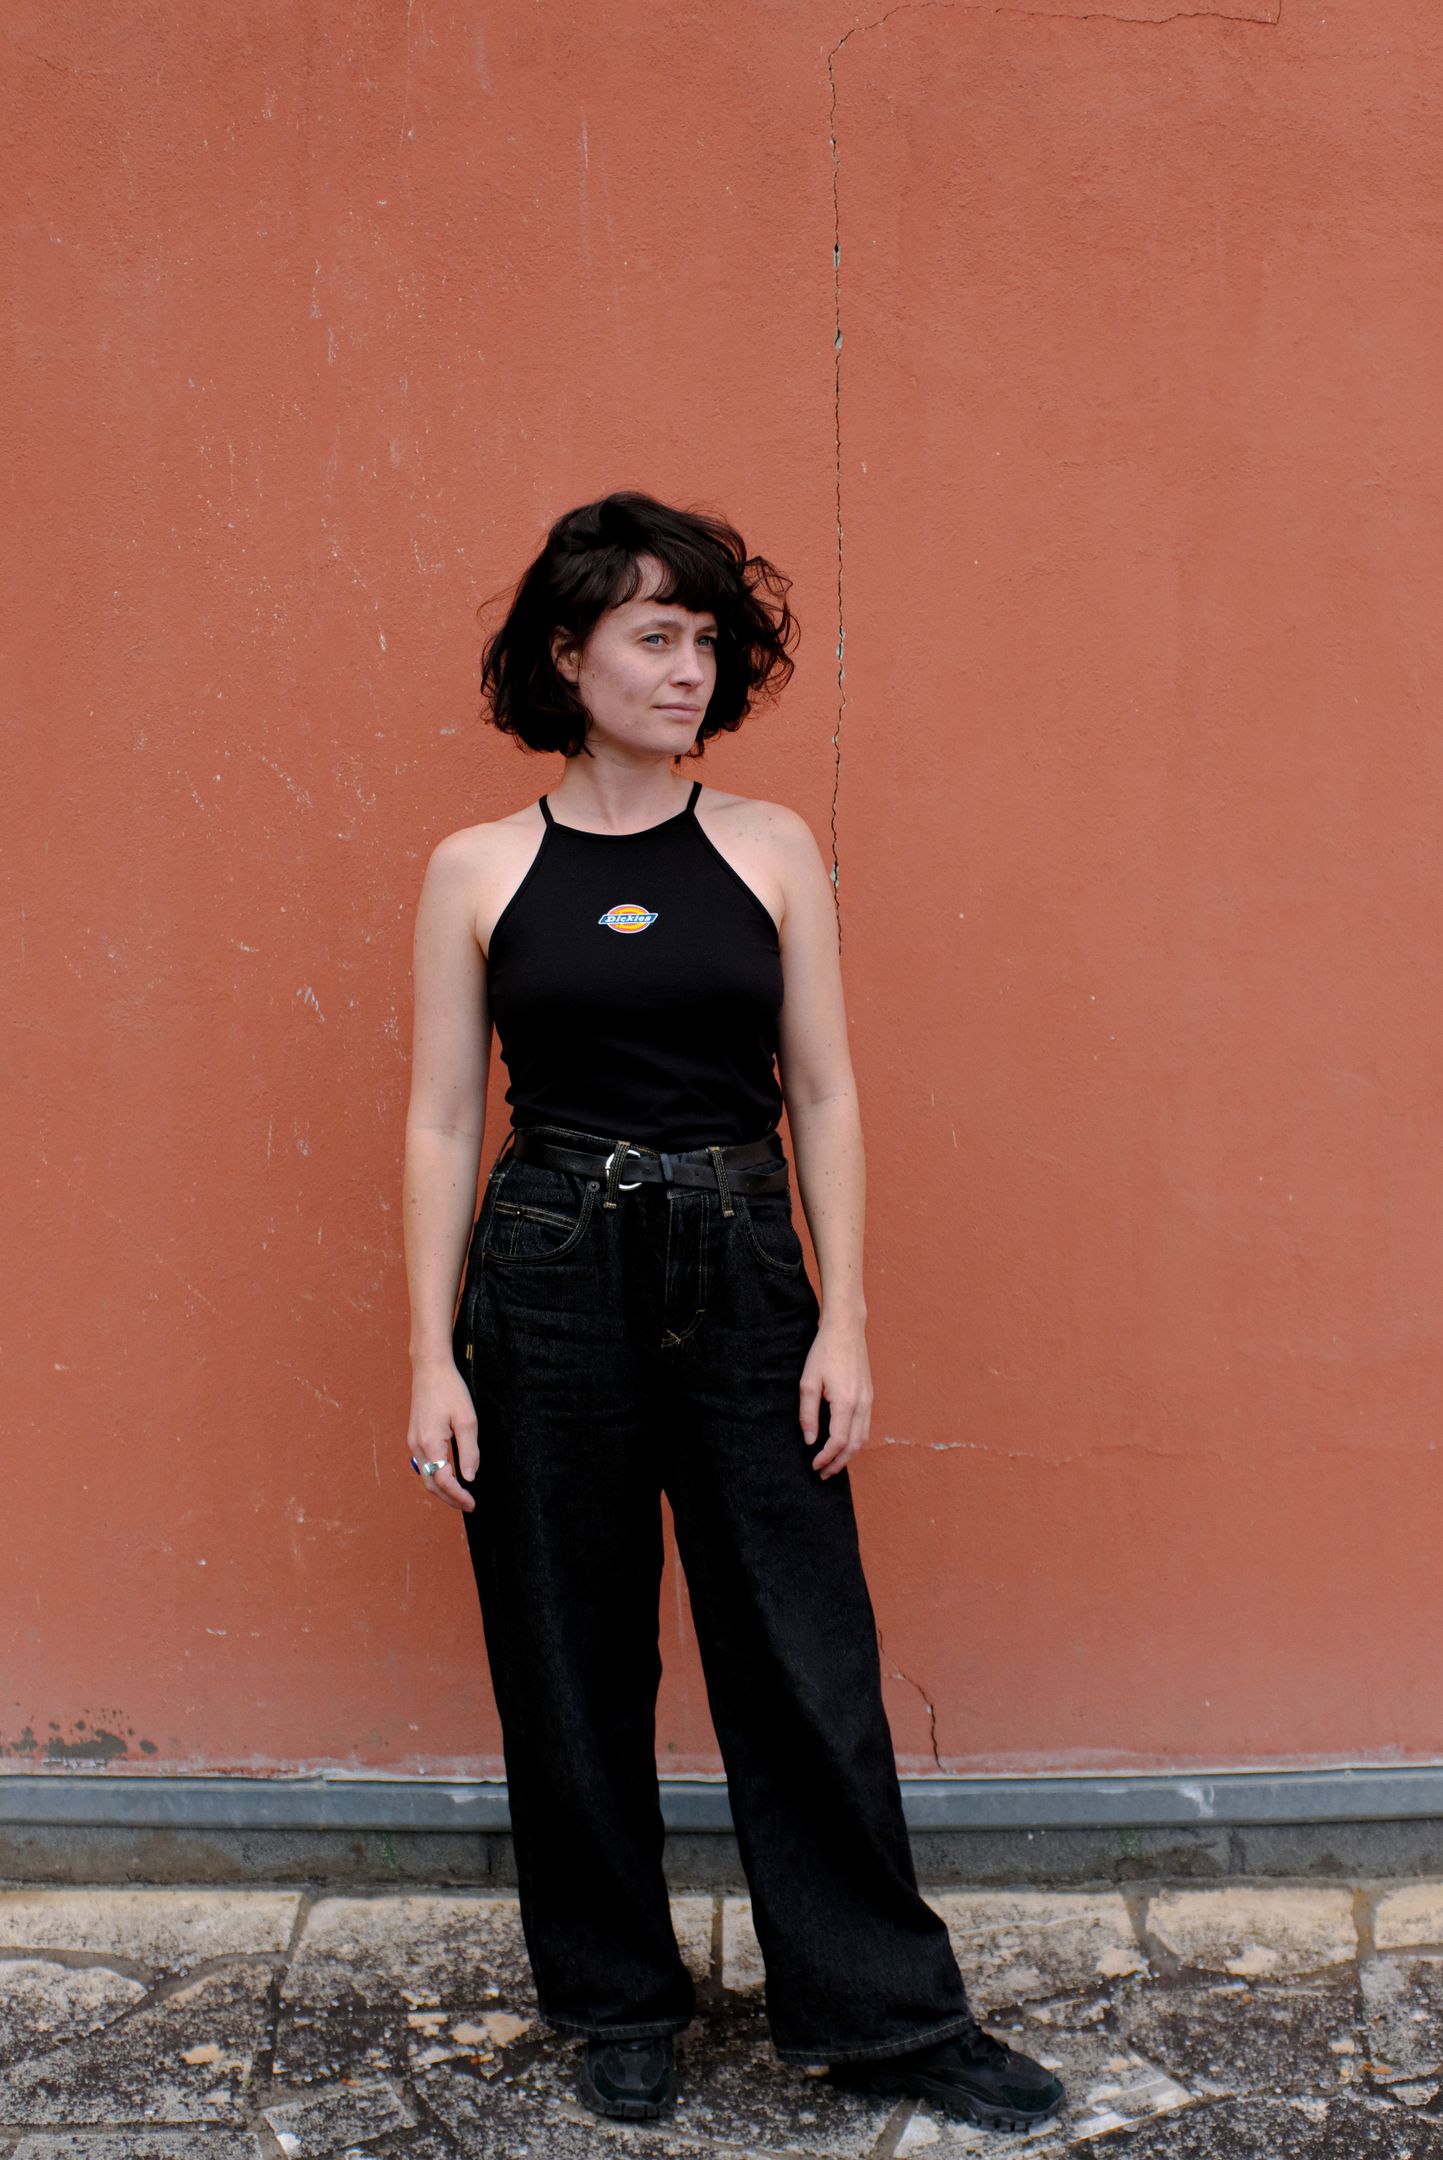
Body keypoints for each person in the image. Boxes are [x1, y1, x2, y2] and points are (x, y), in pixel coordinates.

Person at [401, 489, 1065, 2136]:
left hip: (743, 1261)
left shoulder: (767, 847)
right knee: (568, 1652)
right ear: (570, 657)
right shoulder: (479, 868)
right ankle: (620, 2002)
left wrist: (846, 1321)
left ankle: (886, 2015)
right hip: (548, 1272)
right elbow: (441, 1118)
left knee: (803, 1648)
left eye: (706, 639)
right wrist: (429, 1357)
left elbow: (824, 1094)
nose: (687, 667)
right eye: (653, 636)